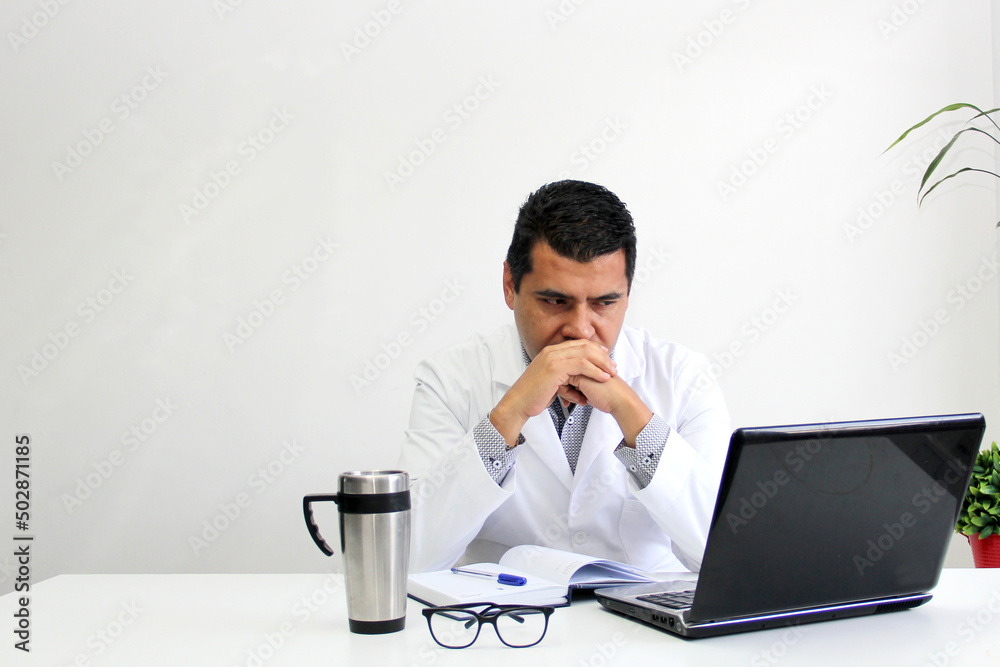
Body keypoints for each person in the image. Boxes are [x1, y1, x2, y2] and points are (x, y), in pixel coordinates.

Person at [398, 180, 731, 574]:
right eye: (556, 301)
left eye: (604, 303)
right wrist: (509, 415)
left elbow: (727, 554)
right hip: (507, 607)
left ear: (627, 293)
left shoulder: (683, 377)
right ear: (510, 285)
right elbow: (410, 559)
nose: (581, 329)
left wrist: (632, 415)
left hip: (645, 608)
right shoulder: (449, 379)